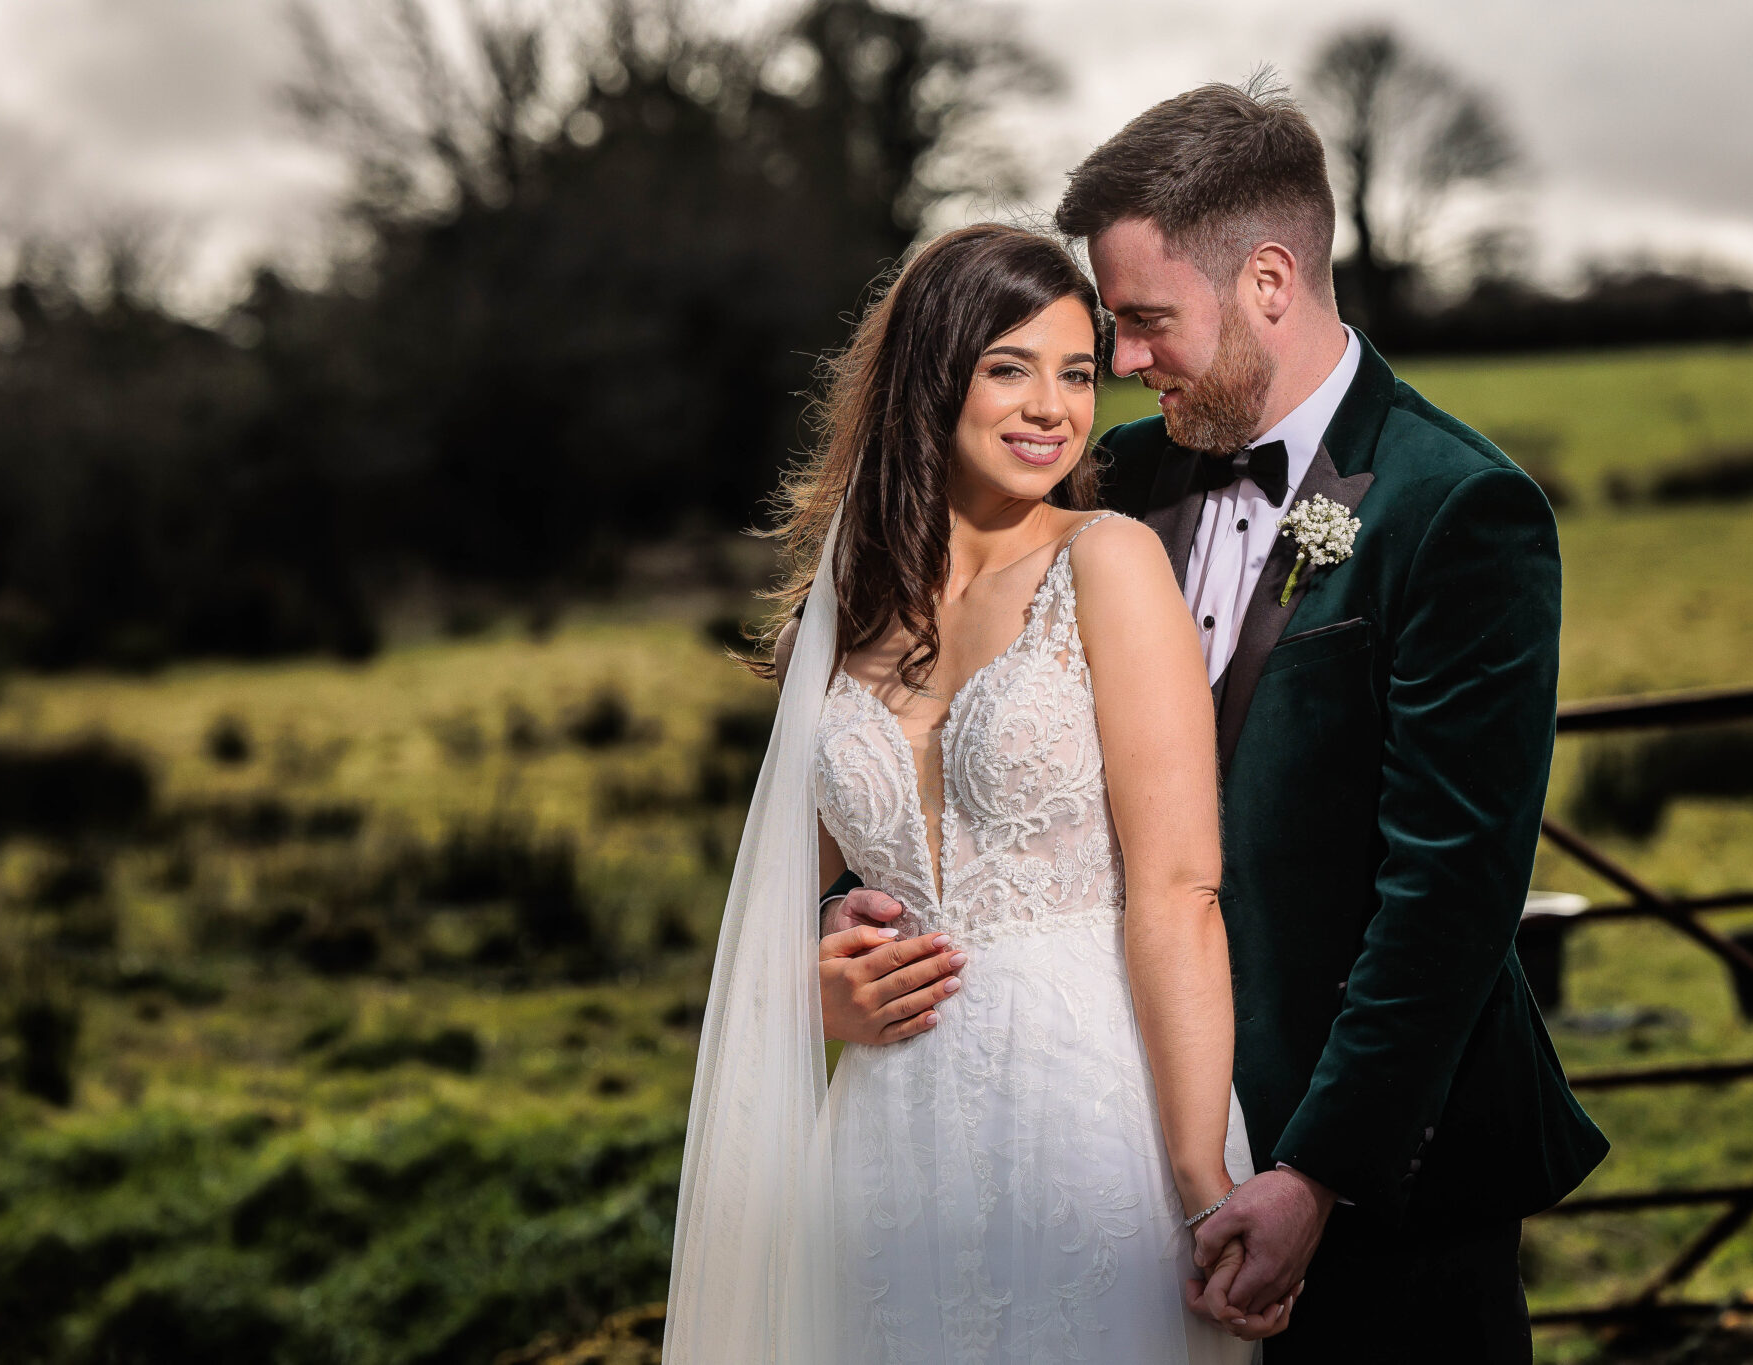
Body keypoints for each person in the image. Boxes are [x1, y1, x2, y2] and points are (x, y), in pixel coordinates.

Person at [820, 78, 1609, 1362]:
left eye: (1142, 322)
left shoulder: (1458, 510)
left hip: (1374, 1180)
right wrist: (841, 932)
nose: (1119, 365)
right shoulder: (1103, 488)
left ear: (1268, 281)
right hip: (1111, 1149)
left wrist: (1313, 1173)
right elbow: (933, 742)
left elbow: (1450, 893)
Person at [664, 222, 1290, 1364]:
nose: (1051, 407)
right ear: (931, 378)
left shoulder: (1105, 562)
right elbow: (782, 899)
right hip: (887, 1139)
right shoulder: (836, 618)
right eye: (1009, 367)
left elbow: (1178, 889)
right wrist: (820, 985)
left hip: (1089, 1109)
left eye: (1076, 373)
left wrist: (1202, 1180)